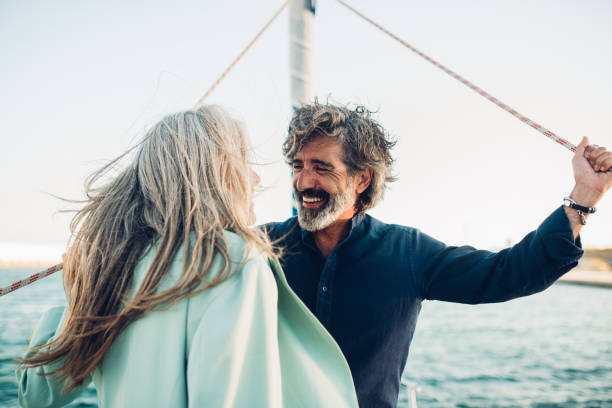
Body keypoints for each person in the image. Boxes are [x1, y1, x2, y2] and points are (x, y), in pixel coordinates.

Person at [264, 101, 612, 407]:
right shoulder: (259, 248)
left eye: (321, 168)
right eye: (298, 166)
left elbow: (508, 272)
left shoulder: (407, 252)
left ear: (362, 179)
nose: (303, 182)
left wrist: (584, 196)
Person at [16, 105, 359, 408]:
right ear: (213, 173)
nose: (254, 177)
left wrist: (78, 291)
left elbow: (36, 395)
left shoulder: (111, 267)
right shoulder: (233, 262)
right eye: (243, 161)